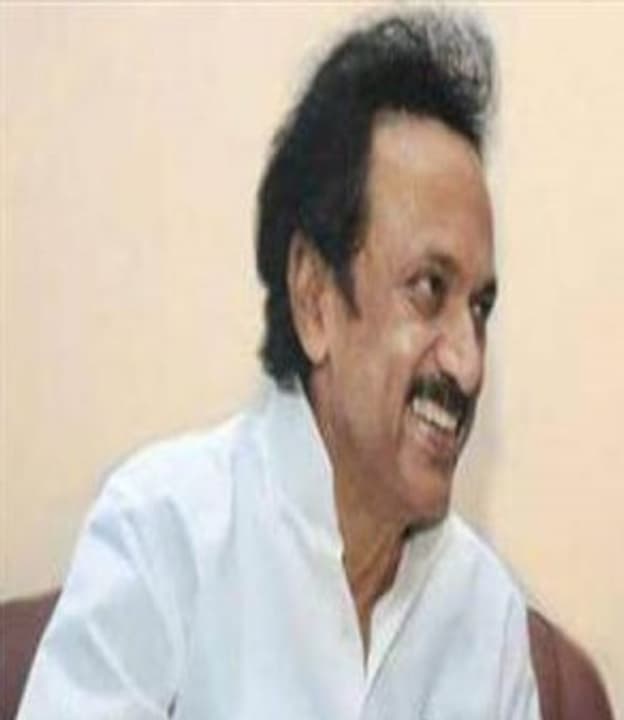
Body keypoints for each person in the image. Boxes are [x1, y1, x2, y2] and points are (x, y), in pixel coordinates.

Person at [18, 12, 540, 719]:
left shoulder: (487, 617)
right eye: (429, 289)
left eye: (479, 307)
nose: (468, 363)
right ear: (315, 297)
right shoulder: (162, 537)